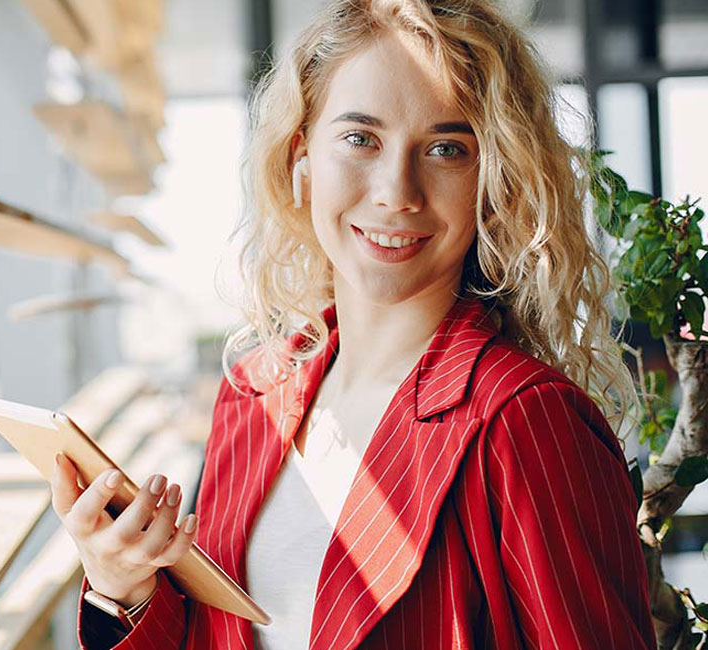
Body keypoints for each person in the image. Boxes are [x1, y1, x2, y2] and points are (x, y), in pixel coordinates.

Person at [50, 0, 658, 648]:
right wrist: (124, 587)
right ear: (302, 154)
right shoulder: (255, 394)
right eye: (361, 138)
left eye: (447, 148)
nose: (398, 190)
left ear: (494, 180)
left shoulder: (521, 420)